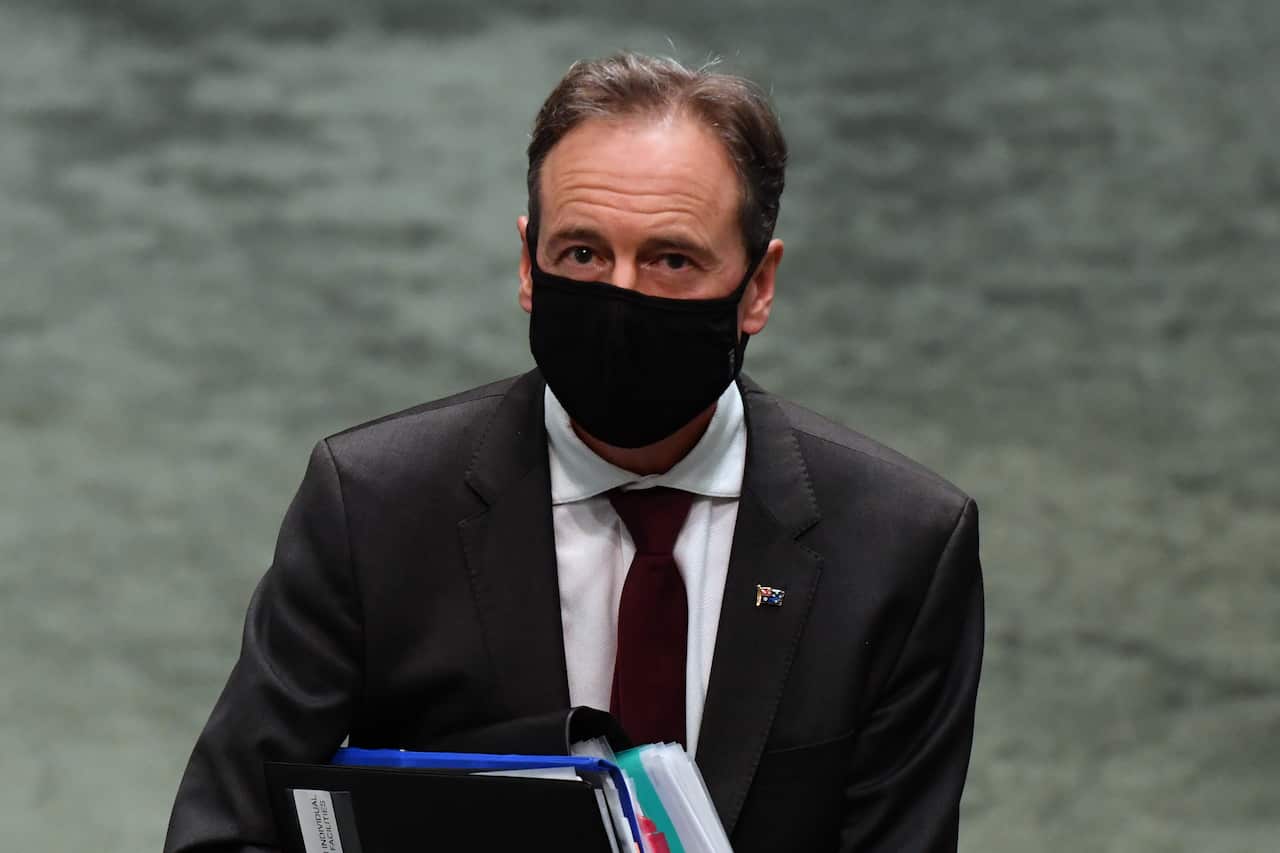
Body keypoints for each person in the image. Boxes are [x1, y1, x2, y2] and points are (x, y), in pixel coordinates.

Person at [164, 52, 984, 853]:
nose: (620, 298)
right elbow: (221, 831)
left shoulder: (900, 546)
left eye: (671, 260)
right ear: (529, 264)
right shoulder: (373, 507)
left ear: (757, 287)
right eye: (583, 254)